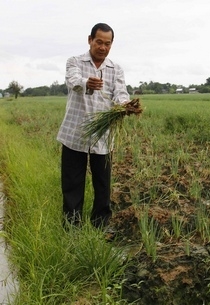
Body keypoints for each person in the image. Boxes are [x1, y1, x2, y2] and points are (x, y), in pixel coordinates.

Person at [57, 23, 130, 229]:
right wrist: (86, 82)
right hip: (75, 133)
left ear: (111, 45)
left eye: (107, 44)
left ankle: (101, 225)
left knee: (103, 184)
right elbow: (72, 81)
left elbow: (121, 94)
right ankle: (72, 226)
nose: (103, 47)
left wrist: (125, 106)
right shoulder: (75, 62)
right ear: (90, 40)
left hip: (103, 136)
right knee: (72, 183)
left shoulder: (115, 69)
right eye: (99, 42)